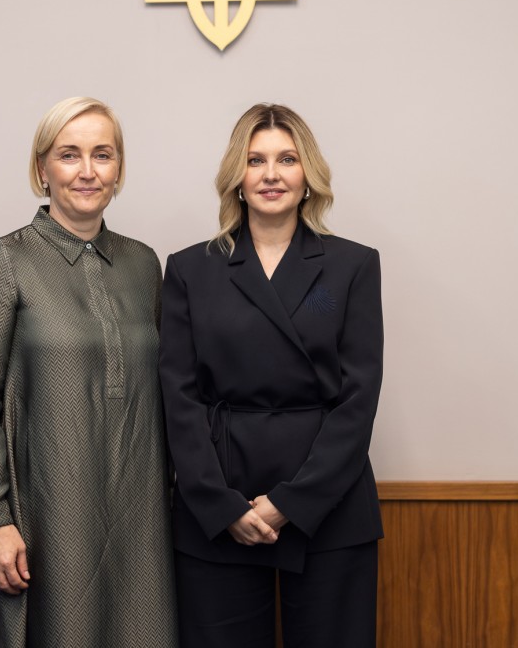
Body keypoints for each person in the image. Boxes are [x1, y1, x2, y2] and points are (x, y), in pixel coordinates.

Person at [0, 97, 177, 648]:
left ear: (118, 168)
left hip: (141, 511)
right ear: (42, 168)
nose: (87, 171)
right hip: (45, 512)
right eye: (69, 154)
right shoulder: (7, 260)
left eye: (102, 154)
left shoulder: (144, 264)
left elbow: (168, 391)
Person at [159, 103, 384, 647]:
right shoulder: (190, 268)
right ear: (236, 176)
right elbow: (179, 399)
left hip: (329, 500)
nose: (271, 174)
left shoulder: (353, 265)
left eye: (287, 159)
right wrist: (221, 505)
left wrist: (291, 503)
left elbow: (358, 400)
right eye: (255, 160)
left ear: (308, 175)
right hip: (219, 500)